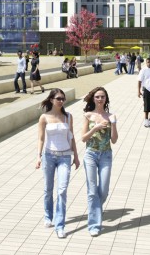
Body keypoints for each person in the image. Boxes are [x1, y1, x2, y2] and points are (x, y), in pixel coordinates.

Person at [35, 88, 80, 239]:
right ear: (51, 100)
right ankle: (48, 216)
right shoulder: (44, 117)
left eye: (63, 99)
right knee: (48, 189)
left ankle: (60, 226)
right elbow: (41, 139)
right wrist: (38, 156)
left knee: (62, 190)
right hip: (49, 156)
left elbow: (72, 137)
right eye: (59, 98)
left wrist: (76, 156)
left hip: (65, 157)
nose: (61, 101)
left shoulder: (68, 117)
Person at [81, 87, 117, 237]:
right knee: (91, 191)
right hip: (90, 154)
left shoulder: (111, 116)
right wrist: (95, 128)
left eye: (102, 97)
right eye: (97, 97)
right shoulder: (88, 115)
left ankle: (95, 208)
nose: (100, 99)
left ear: (106, 99)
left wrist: (113, 124)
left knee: (103, 190)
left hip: (106, 155)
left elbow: (114, 140)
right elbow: (83, 138)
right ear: (93, 99)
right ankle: (94, 225)